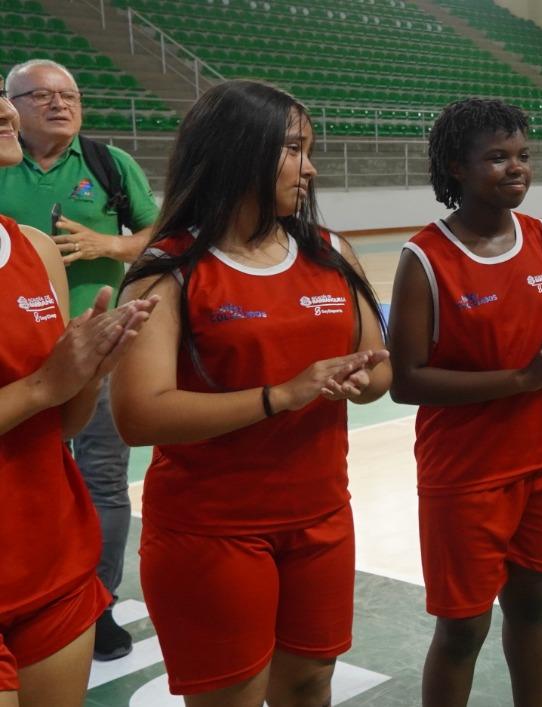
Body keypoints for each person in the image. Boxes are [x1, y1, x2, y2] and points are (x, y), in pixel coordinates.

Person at [109, 80, 390, 705]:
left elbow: (380, 368)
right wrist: (281, 396)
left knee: (312, 681)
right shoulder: (169, 270)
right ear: (240, 153)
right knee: (232, 696)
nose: (310, 169)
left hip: (321, 518)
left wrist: (360, 380)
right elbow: (139, 413)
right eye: (294, 150)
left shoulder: (332, 253)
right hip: (212, 532)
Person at [387, 98, 542, 707]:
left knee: (533, 604)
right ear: (456, 168)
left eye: (523, 156)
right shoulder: (424, 259)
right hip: (464, 473)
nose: (516, 168)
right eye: (497, 157)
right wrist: (519, 379)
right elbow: (406, 380)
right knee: (463, 627)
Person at [0, 59, 161, 661]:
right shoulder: (7, 166)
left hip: (94, 357)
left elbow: (159, 234)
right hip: (20, 365)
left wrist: (107, 245)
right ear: (16, 102)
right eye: (42, 95)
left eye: (70, 94)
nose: (60, 104)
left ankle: (98, 599)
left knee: (99, 480)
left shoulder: (109, 164)